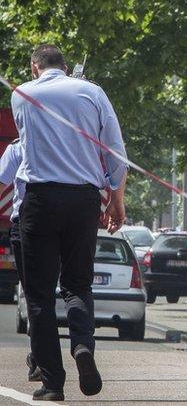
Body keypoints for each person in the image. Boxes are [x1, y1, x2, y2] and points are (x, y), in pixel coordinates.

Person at [11, 44, 127, 402]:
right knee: (78, 284)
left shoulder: (22, 96)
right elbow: (115, 151)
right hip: (83, 200)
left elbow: (25, 148)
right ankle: (82, 346)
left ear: (34, 67)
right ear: (64, 65)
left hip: (41, 199)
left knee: (40, 296)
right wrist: (115, 200)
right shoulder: (92, 91)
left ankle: (52, 382)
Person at [0, 138, 40, 382]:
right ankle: (81, 345)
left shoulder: (19, 146)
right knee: (69, 290)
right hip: (65, 223)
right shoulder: (63, 144)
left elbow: (3, 177)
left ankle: (39, 358)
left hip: (25, 224)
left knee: (35, 296)